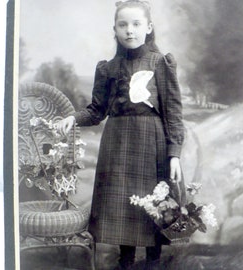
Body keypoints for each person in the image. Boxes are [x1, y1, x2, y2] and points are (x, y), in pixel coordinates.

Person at [56, 0, 185, 268]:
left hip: (152, 144)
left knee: (154, 206)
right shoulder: (108, 68)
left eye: (136, 24)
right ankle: (124, 262)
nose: (130, 30)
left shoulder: (160, 63)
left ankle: (153, 262)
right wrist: (73, 118)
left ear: (148, 27)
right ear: (114, 29)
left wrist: (174, 154)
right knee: (123, 207)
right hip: (116, 145)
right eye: (123, 24)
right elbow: (96, 110)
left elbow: (173, 113)